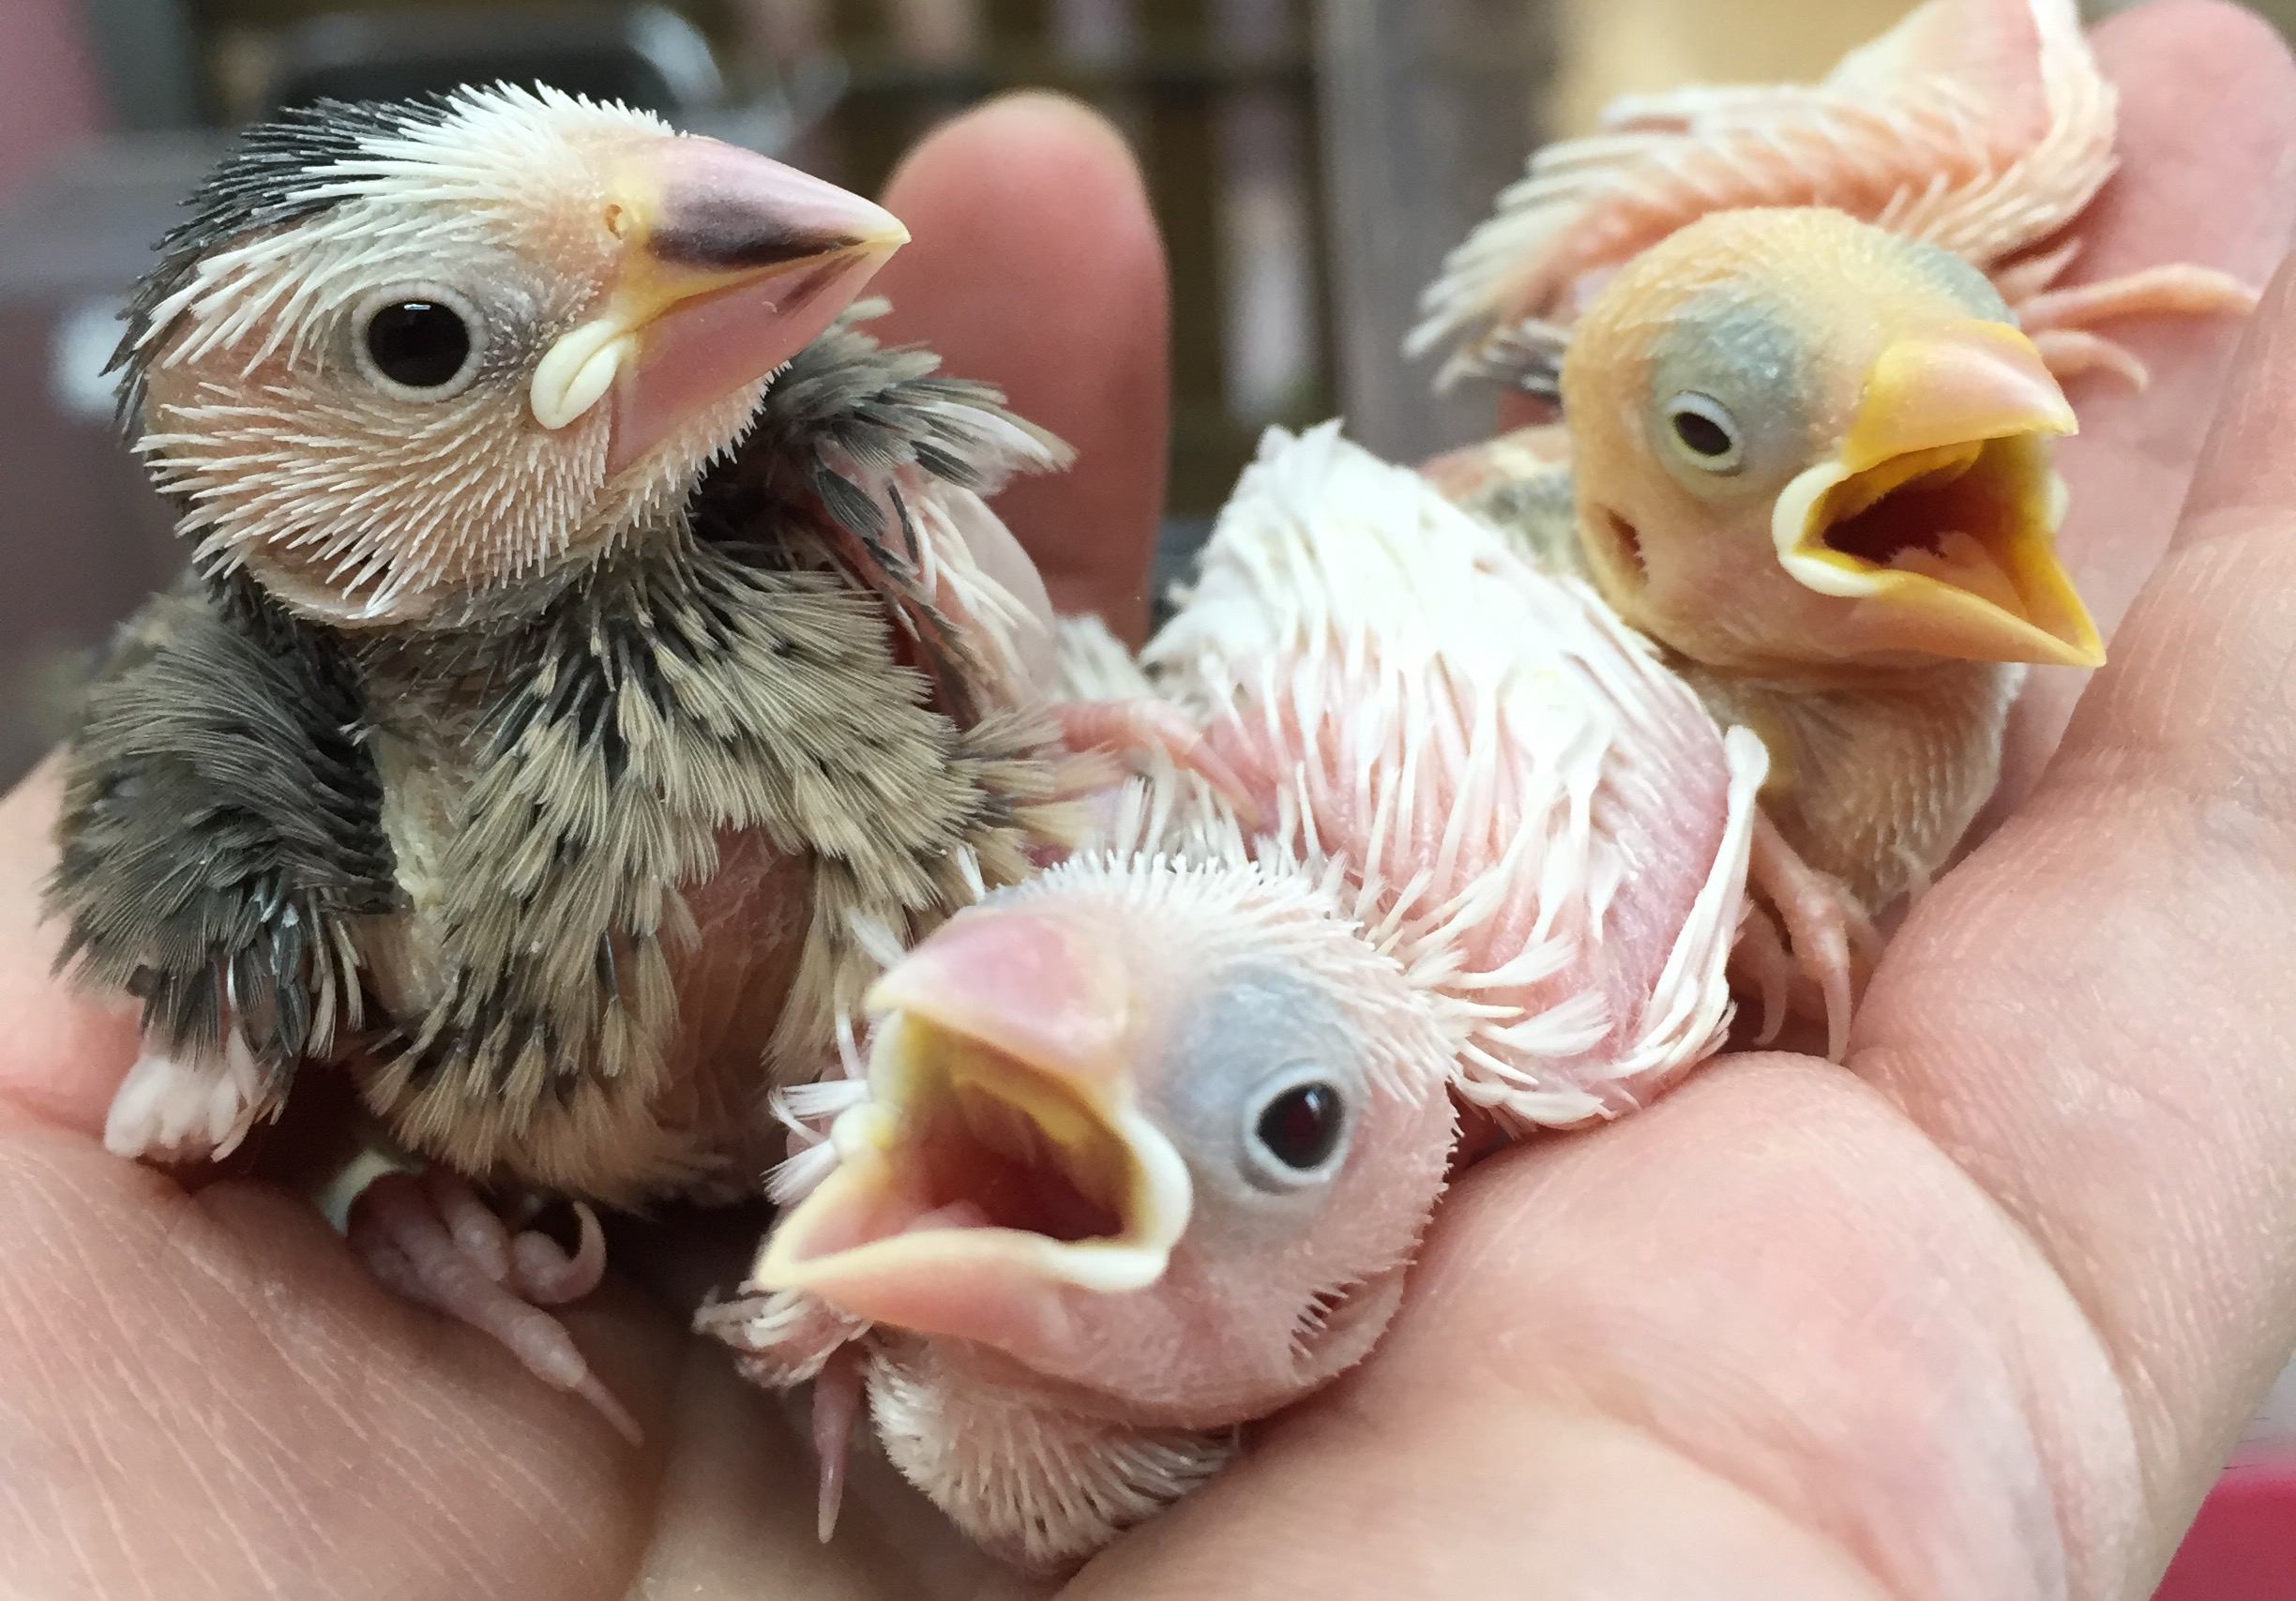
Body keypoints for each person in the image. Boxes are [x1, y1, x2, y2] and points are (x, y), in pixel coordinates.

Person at [3, 3, 2293, 1593]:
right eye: (425, 343)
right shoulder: (295, 834)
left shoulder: (846, 517)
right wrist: (401, 1196)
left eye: (635, 189)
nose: (707, 232)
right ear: (268, 492)